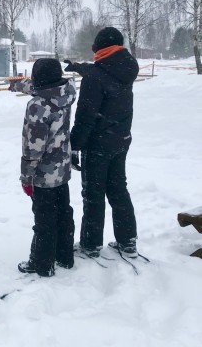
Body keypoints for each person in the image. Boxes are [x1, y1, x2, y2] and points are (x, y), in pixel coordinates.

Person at [68, 27, 139, 258]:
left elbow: (86, 116)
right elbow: (103, 75)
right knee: (118, 190)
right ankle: (128, 242)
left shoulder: (96, 77)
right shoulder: (125, 68)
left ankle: (90, 245)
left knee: (93, 195)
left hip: (98, 145)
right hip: (121, 140)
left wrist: (74, 145)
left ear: (98, 47)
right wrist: (79, 67)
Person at [18, 58, 77, 277]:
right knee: (63, 213)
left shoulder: (37, 105)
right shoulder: (67, 92)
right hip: (62, 169)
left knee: (44, 220)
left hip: (43, 174)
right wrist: (18, 85)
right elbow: (44, 89)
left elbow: (33, 148)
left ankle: (41, 264)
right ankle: (64, 256)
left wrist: (26, 177)